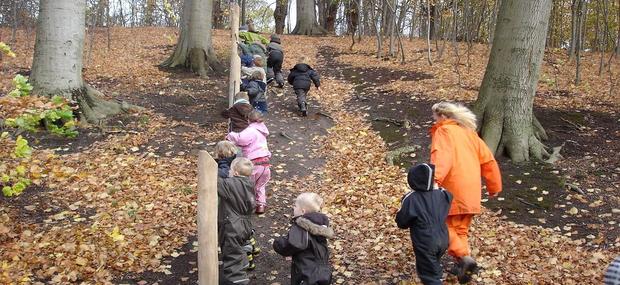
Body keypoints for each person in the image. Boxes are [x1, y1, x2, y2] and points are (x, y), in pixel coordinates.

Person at [429, 102, 502, 284]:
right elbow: (488, 161)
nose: (433, 120)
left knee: (441, 224)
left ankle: (463, 257)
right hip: (472, 190)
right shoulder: (470, 134)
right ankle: (462, 264)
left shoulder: (444, 131)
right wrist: (494, 186)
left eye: (435, 117)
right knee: (460, 229)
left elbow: (442, 157)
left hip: (452, 188)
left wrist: (433, 181)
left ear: (443, 117)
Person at [396, 163, 452, 285]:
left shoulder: (411, 198)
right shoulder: (442, 194)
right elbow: (449, 196)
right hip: (443, 238)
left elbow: (402, 221)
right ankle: (438, 276)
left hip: (425, 241)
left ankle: (436, 280)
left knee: (428, 275)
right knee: (433, 264)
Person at [273, 192, 333, 285]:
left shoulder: (302, 227)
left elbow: (292, 244)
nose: (293, 208)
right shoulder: (321, 225)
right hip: (322, 271)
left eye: (295, 206)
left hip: (306, 272)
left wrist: (278, 243)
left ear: (303, 211)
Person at [217, 157, 256, 285]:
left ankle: (237, 280)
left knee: (231, 252)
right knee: (238, 248)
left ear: (235, 173)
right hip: (245, 224)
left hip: (232, 226)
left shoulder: (232, 184)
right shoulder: (249, 184)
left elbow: (215, 182)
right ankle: (243, 264)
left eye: (230, 170)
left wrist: (216, 170)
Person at [226, 111, 272, 214]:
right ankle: (261, 205)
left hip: (254, 164)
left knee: (248, 185)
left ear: (248, 120)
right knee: (260, 186)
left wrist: (231, 135)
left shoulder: (251, 130)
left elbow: (241, 139)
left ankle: (248, 204)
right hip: (265, 164)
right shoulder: (262, 130)